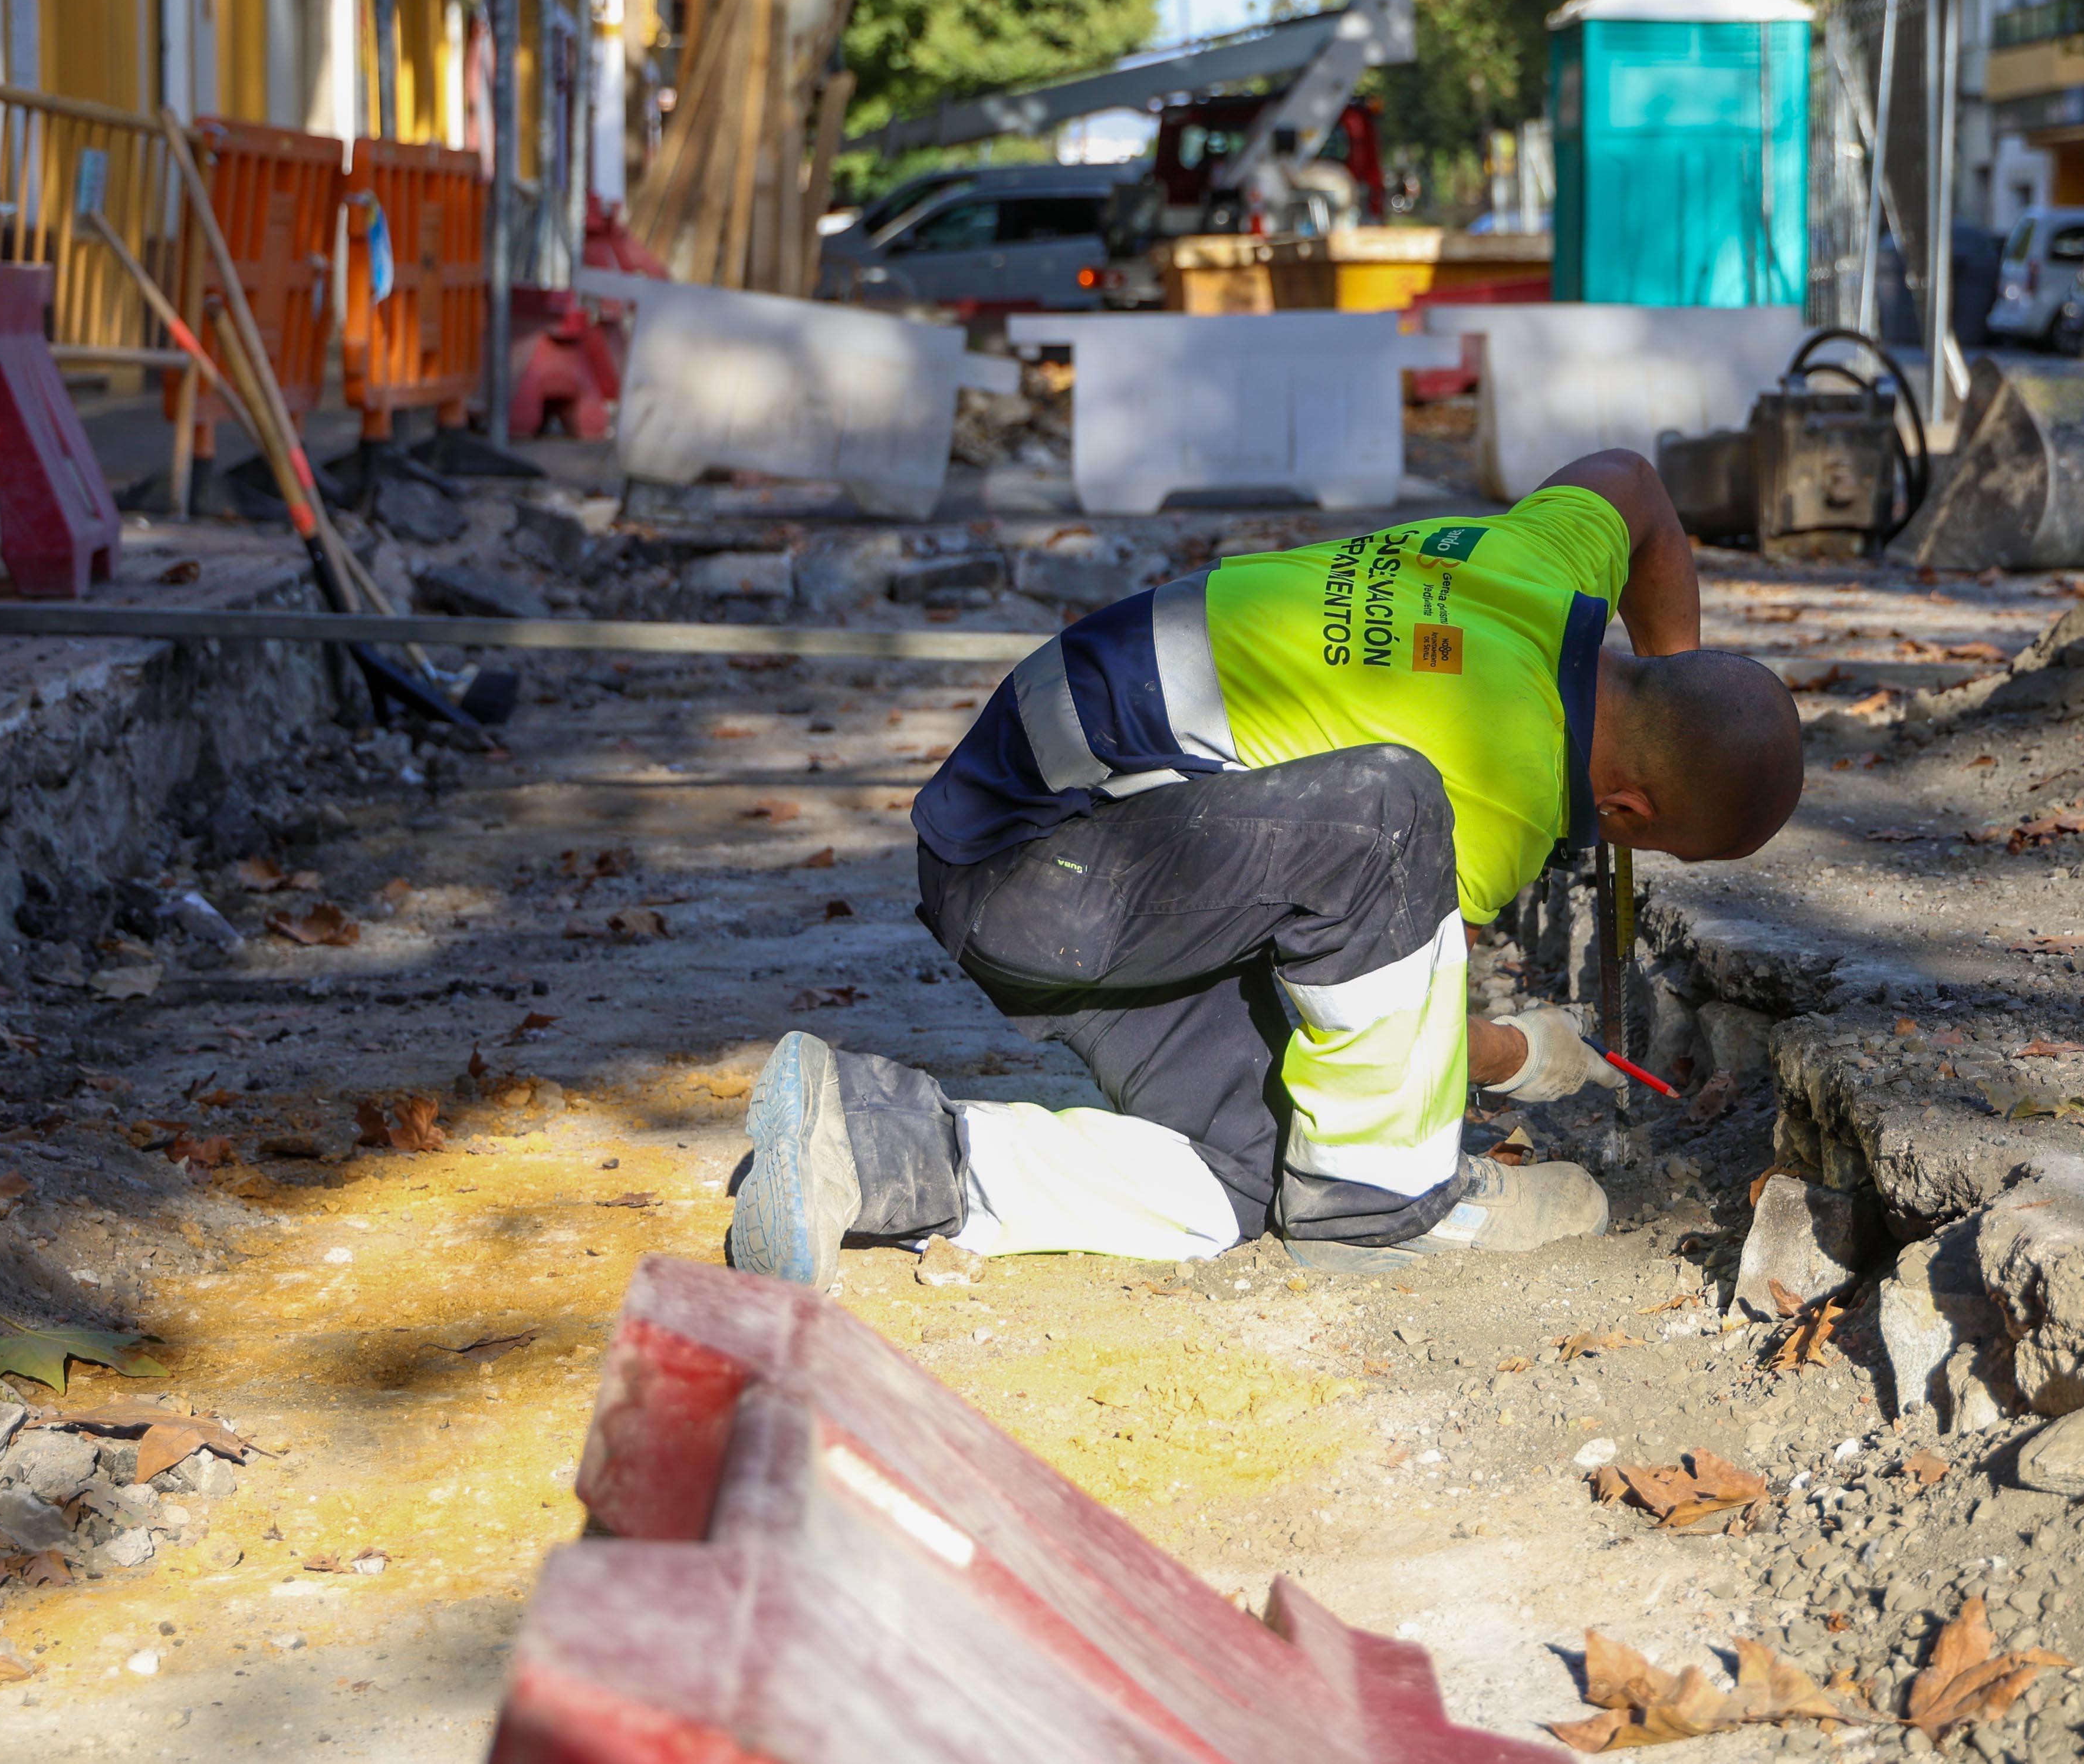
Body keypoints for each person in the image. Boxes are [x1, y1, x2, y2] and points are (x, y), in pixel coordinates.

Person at [725, 447, 1804, 1283]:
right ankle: (1385, 1209)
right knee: (1389, 813)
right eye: (1649, 840)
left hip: (1108, 860)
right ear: (1625, 807)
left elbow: (1633, 489)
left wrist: (1678, 688)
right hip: (1035, 857)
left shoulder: (1544, 564)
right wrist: (1524, 1055)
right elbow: (1410, 1027)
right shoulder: (1500, 788)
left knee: (1241, 1180)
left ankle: (867, 1145)